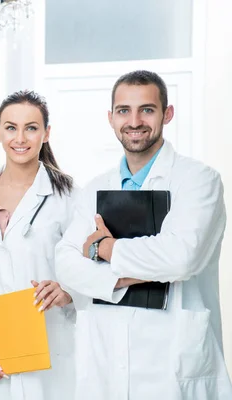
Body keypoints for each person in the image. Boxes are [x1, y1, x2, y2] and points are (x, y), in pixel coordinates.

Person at [55, 70, 232, 399]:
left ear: (168, 114)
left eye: (147, 109)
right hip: (106, 361)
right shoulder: (95, 187)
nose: (134, 121)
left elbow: (180, 257)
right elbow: (65, 263)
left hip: (173, 366)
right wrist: (125, 278)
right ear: (110, 118)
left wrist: (104, 251)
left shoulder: (198, 180)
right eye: (124, 110)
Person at [0, 90, 77, 399]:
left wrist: (68, 291)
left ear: (46, 133)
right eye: (11, 127)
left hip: (53, 349)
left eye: (32, 127)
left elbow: (92, 270)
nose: (20, 137)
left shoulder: (70, 197)